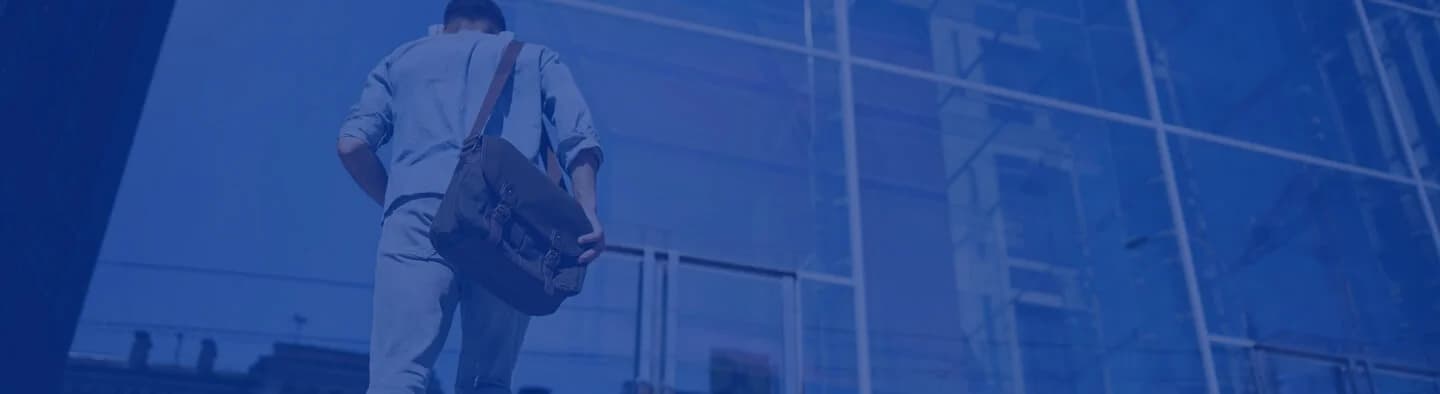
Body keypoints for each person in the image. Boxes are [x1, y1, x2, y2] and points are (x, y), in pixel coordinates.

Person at [336, 1, 605, 393]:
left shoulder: (401, 61)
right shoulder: (534, 58)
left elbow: (351, 146)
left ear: (442, 27)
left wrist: (400, 203)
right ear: (500, 30)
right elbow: (577, 136)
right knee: (488, 381)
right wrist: (587, 210)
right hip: (506, 225)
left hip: (416, 216)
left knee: (399, 375)